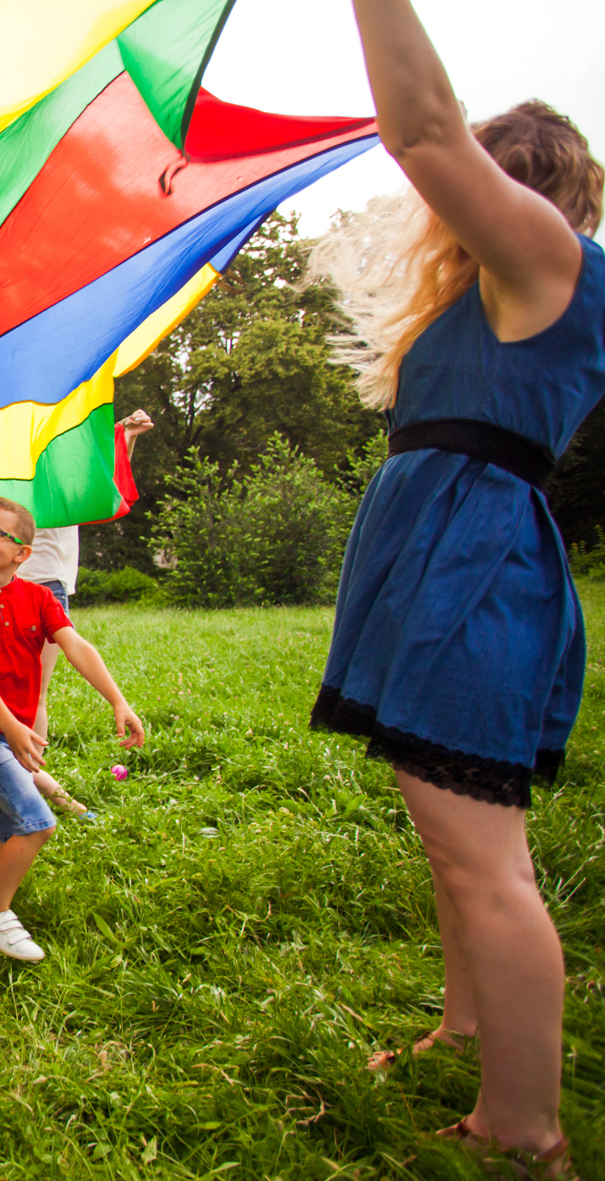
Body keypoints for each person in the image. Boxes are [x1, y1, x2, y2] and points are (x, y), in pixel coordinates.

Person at [302, 4, 601, 1172]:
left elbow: (422, 132)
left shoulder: (549, 262)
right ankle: (467, 1029)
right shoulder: (489, 286)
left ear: (540, 193)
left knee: (486, 861)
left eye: (494, 178)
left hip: (473, 574)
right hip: (436, 565)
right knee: (451, 844)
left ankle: (523, 1128)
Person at [0, 497, 144, 962]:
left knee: (10, 825)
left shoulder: (39, 598)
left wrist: (117, 699)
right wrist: (12, 729)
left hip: (8, 731)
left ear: (24, 553)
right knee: (37, 821)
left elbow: (75, 645)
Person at [17, 409, 152, 742]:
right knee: (13, 691)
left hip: (46, 590)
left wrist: (125, 437)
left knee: (34, 693)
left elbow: (106, 486)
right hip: (10, 589)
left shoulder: (64, 490)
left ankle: (32, 778)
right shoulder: (18, 486)